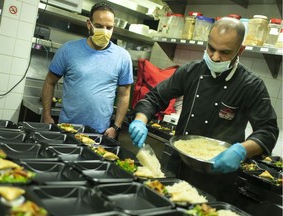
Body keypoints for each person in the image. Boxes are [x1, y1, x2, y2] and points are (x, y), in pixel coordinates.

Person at [128, 17, 279, 202]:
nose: (215, 57)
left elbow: (268, 131)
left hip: (218, 175)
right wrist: (140, 120)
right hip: (179, 165)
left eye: (224, 52)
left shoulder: (251, 85)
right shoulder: (191, 72)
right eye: (211, 48)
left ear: (240, 50)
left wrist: (241, 151)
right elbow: (155, 97)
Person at [42, 2, 133, 139]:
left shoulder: (123, 57)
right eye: (99, 26)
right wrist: (46, 115)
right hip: (67, 129)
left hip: (100, 133)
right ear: (89, 24)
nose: (104, 31)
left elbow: (124, 95)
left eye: (109, 27)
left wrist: (116, 126)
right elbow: (49, 82)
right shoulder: (68, 50)